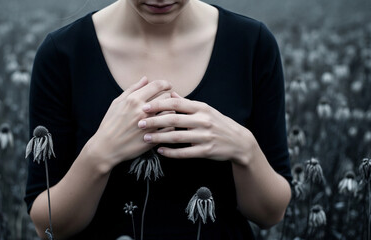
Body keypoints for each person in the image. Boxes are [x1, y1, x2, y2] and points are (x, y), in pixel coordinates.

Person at [24, 0, 292, 239]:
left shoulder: (252, 44)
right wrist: (100, 154)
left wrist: (245, 149)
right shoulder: (62, 54)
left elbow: (270, 214)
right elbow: (48, 227)